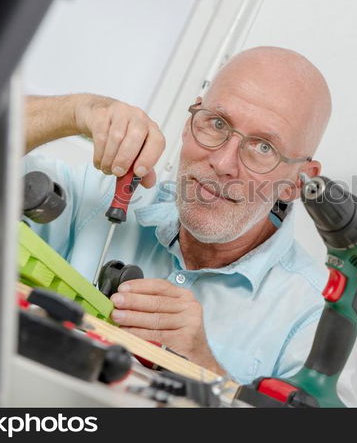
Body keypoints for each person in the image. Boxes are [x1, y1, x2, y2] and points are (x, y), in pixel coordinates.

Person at [23, 46, 332, 385]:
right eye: (217, 124)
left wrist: (206, 369)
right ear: (189, 124)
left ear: (296, 183)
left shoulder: (316, 317)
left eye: (263, 148)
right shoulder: (100, 199)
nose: (223, 163)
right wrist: (78, 111)